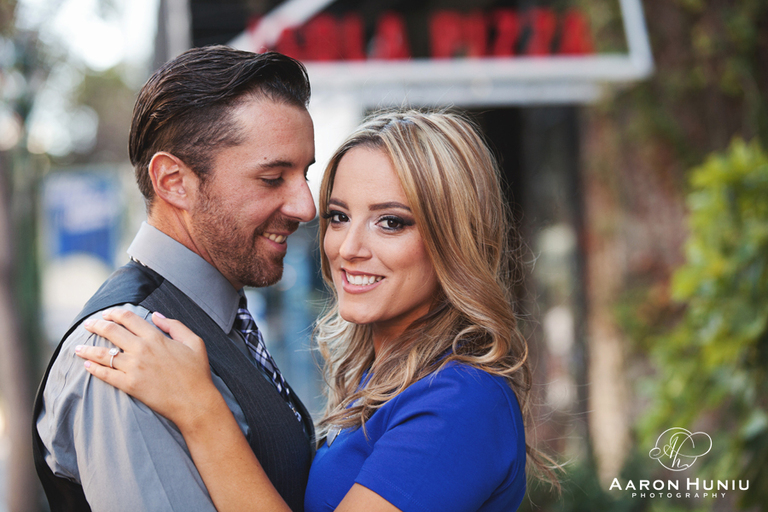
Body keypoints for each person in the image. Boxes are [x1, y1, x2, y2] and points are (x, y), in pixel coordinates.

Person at [76, 110, 556, 511]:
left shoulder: (460, 400)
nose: (348, 248)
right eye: (339, 217)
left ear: (454, 240)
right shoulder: (391, 378)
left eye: (391, 222)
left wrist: (199, 409)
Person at [32, 46, 317, 512]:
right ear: (173, 181)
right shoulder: (127, 348)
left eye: (304, 174)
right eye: (272, 178)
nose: (305, 207)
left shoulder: (213, 314)